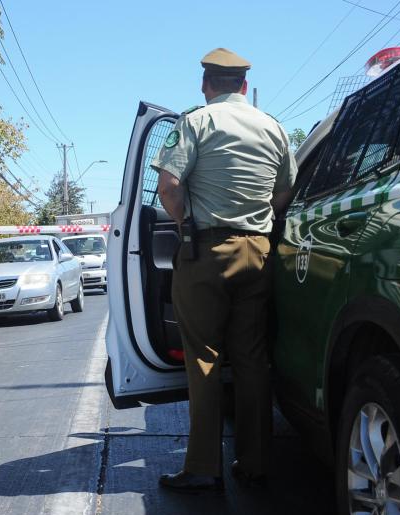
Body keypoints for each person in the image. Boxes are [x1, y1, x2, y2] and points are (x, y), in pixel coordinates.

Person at [152, 48, 297, 492]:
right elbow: (285, 193)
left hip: (207, 253)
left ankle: (202, 468)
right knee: (253, 359)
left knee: (204, 359)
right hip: (259, 252)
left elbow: (169, 186)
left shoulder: (194, 123)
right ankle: (255, 462)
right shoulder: (274, 128)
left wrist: (183, 224)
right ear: (245, 86)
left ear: (205, 84)